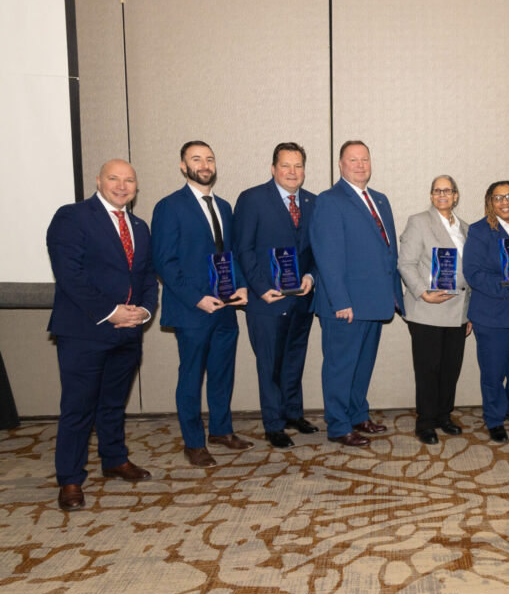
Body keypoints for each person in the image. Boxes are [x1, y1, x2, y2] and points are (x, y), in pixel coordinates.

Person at [46, 159, 159, 510]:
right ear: (98, 180)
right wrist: (111, 312)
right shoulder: (72, 216)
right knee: (78, 408)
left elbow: (147, 275)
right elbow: (70, 275)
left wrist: (144, 311)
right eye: (114, 178)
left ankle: (114, 459)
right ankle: (70, 479)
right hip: (85, 331)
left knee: (113, 403)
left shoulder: (139, 226)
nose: (122, 186)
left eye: (129, 180)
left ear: (136, 187)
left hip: (128, 332)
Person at [152, 141, 252, 467]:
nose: (205, 165)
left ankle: (221, 430)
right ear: (183, 166)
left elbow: (230, 254)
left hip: (225, 307)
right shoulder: (169, 206)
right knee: (191, 377)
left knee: (222, 373)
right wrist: (197, 299)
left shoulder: (223, 206)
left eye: (209, 159)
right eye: (196, 159)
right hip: (192, 310)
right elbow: (164, 262)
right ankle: (194, 443)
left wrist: (241, 285)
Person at [309, 140, 402, 447]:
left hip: (375, 301)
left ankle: (358, 415)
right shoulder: (330, 200)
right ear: (340, 164)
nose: (360, 165)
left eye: (365, 159)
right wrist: (340, 301)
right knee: (340, 367)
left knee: (362, 365)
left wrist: (393, 294)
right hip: (346, 304)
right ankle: (338, 425)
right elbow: (327, 256)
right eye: (353, 160)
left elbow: (388, 251)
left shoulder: (380, 199)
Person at [232, 142, 318, 449]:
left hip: (301, 299)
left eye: (298, 166)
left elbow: (318, 249)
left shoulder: (312, 202)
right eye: (285, 165)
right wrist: (259, 288)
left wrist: (310, 277)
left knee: (294, 359)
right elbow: (243, 249)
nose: (292, 172)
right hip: (266, 300)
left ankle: (293, 413)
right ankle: (273, 424)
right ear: (273, 168)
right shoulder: (252, 199)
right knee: (269, 365)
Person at [398, 175, 472, 445]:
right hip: (427, 309)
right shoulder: (419, 222)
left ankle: (443, 415)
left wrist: (470, 312)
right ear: (431, 195)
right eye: (437, 191)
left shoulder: (466, 228)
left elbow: (470, 271)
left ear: (456, 195)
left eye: (447, 191)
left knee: (451, 368)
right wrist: (423, 292)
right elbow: (406, 264)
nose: (442, 195)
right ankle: (426, 422)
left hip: (458, 310)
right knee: (428, 369)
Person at [464, 180, 509, 442]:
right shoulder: (480, 230)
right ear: (490, 202)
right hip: (491, 313)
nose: (504, 202)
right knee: (493, 372)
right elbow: (473, 273)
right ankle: (494, 419)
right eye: (498, 198)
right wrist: (506, 287)